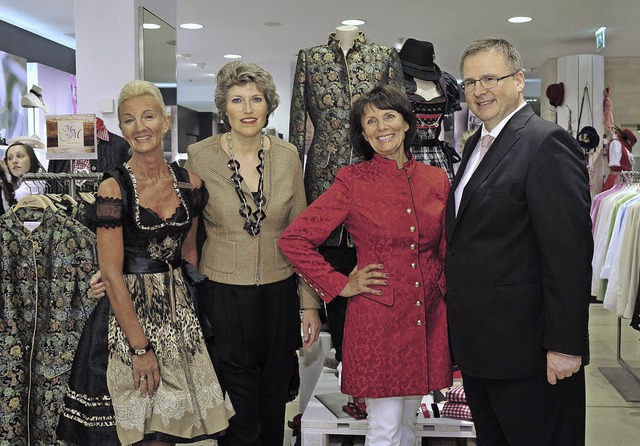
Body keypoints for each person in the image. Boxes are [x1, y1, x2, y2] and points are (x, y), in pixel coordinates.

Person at [57, 79, 234, 445]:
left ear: (165, 122)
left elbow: (188, 254)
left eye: (148, 116)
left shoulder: (190, 184)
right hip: (127, 316)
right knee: (134, 430)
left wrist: (195, 318)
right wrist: (140, 348)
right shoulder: (113, 188)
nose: (140, 127)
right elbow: (111, 272)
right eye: (129, 120)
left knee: (169, 430)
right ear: (121, 129)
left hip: (178, 316)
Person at [279, 84, 453, 446]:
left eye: (388, 116)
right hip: (379, 322)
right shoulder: (353, 181)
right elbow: (294, 240)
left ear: (407, 123)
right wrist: (341, 284)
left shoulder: (436, 180)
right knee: (384, 428)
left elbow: (446, 249)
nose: (380, 127)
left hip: (428, 317)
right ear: (362, 133)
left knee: (408, 425)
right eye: (369, 121)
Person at [446, 38, 593, 445]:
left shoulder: (545, 142)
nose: (479, 90)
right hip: (483, 349)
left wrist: (565, 344)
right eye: (471, 81)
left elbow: (569, 253)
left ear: (519, 80)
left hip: (530, 353)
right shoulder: (477, 143)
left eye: (490, 78)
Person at [183, 61, 322, 446]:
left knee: (273, 401)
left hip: (278, 296)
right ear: (224, 108)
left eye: (256, 99)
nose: (247, 109)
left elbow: (302, 235)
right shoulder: (199, 155)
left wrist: (308, 304)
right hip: (223, 294)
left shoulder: (289, 155)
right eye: (237, 100)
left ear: (268, 106)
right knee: (241, 414)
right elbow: (188, 232)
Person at [289, 26, 405, 368]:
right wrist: (296, 175)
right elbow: (298, 122)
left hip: (377, 172)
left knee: (381, 272)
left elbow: (397, 114)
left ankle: (384, 364)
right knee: (335, 267)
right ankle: (345, 360)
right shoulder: (311, 58)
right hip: (323, 177)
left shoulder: (384, 56)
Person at [1, 140, 46, 213]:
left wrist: (6, 175)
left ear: (31, 159)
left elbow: (13, 204)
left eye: (19, 156)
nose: (14, 161)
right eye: (10, 158)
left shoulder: (36, 181)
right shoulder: (18, 181)